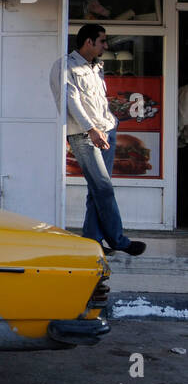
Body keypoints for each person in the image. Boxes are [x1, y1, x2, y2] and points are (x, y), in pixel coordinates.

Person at [49, 24, 145, 256]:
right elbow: (71, 102)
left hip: (105, 130)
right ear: (88, 42)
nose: (106, 45)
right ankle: (118, 240)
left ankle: (92, 240)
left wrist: (108, 125)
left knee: (97, 190)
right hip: (85, 135)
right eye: (102, 41)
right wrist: (92, 129)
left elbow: (98, 101)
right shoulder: (66, 66)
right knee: (103, 187)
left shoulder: (95, 66)